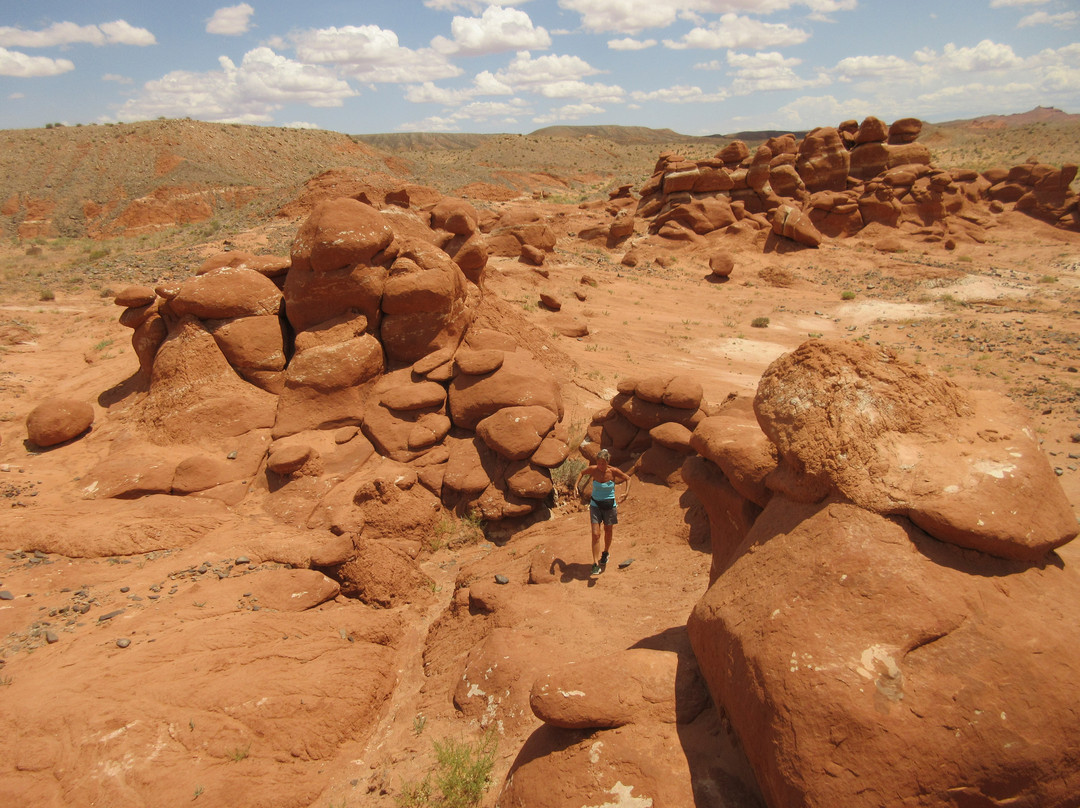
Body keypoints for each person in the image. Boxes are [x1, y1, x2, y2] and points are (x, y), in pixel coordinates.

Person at [575, 449, 631, 577]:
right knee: (595, 534)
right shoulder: (593, 469)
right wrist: (575, 486)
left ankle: (605, 552)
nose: (601, 466)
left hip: (610, 506)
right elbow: (581, 473)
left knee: (608, 530)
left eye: (603, 463)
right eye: (599, 463)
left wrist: (626, 493)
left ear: (607, 462)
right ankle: (595, 564)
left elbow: (628, 478)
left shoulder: (613, 471)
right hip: (595, 505)